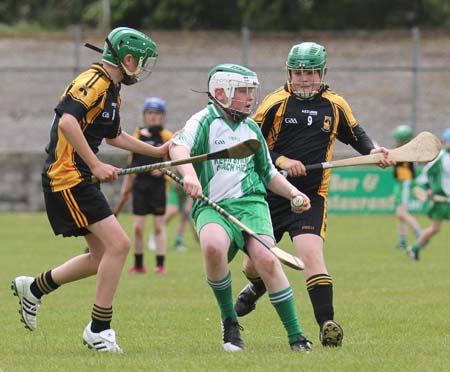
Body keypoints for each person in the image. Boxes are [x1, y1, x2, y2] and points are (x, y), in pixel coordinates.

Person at [11, 27, 168, 353]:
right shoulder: (94, 82)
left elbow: (115, 136)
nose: (140, 69)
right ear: (126, 59)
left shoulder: (112, 90)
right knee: (119, 245)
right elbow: (68, 122)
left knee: (101, 256)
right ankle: (99, 329)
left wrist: (158, 151)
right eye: (140, 62)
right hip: (66, 176)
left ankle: (34, 288)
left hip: (78, 176)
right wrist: (96, 166)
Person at [233, 42, 394, 347]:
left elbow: (356, 136)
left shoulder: (335, 104)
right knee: (252, 265)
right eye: (299, 72)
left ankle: (327, 325)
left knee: (311, 256)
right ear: (289, 72)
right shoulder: (275, 103)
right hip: (269, 196)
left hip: (309, 198)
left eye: (310, 73)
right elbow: (251, 142)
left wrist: (374, 151)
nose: (304, 79)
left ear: (322, 73)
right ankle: (256, 287)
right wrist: (282, 161)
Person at [169, 63, 313, 352]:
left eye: (251, 91)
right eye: (243, 91)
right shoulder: (204, 121)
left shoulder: (250, 129)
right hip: (213, 205)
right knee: (211, 246)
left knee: (268, 261)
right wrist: (189, 176)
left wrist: (293, 193)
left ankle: (296, 336)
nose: (250, 97)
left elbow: (268, 173)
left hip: (251, 205)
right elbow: (177, 147)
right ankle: (230, 322)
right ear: (221, 92)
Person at [118, 97, 173, 275]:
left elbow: (175, 161)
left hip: (158, 187)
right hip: (140, 186)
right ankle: (139, 264)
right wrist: (126, 187)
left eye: (157, 114)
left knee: (158, 227)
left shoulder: (166, 136)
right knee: (137, 227)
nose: (153, 117)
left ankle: (160, 265)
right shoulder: (137, 134)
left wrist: (164, 168)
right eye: (150, 113)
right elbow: (131, 162)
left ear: (162, 116)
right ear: (144, 116)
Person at [407, 128, 450, 261]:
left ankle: (414, 249)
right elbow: (425, 175)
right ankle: (414, 248)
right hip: (441, 201)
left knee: (434, 229)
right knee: (435, 228)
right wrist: (429, 190)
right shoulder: (440, 157)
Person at [392, 125, 422, 249]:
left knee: (402, 213)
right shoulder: (403, 150)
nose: (395, 142)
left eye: (398, 140)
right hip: (399, 183)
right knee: (399, 215)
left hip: (405, 183)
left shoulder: (408, 152)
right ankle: (403, 240)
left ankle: (420, 233)